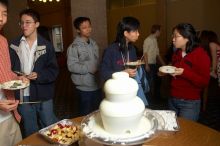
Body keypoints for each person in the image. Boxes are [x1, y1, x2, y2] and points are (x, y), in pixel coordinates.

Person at [9, 8, 59, 137]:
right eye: (21, 23)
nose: (24, 26)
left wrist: (39, 75)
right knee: (29, 129)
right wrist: (16, 77)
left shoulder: (47, 46)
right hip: (23, 96)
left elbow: (53, 71)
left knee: (49, 127)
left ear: (37, 24)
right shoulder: (13, 45)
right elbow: (8, 69)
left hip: (43, 94)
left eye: (28, 22)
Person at [162, 23, 210, 121]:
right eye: (172, 36)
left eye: (176, 36)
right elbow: (175, 71)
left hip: (189, 102)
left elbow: (204, 82)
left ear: (187, 37)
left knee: (185, 132)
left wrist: (185, 73)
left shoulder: (201, 55)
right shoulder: (177, 53)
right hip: (173, 98)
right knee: (172, 129)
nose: (173, 39)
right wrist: (166, 72)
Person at [100, 16, 148, 106]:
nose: (138, 34)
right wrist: (123, 73)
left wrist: (136, 66)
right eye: (135, 31)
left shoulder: (132, 48)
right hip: (116, 93)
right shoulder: (111, 50)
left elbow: (131, 70)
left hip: (130, 90)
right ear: (126, 33)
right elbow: (103, 72)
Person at [0, 0, 28, 145]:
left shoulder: (3, 41)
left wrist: (19, 78)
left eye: (4, 14)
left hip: (10, 112)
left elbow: (7, 73)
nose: (1, 18)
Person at [67, 17, 102, 116]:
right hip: (84, 88)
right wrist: (88, 68)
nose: (88, 29)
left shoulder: (93, 43)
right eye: (84, 27)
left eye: (89, 26)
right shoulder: (74, 47)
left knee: (97, 113)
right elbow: (71, 66)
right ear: (78, 30)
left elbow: (96, 61)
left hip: (96, 84)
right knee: (85, 115)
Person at [143, 24, 165, 102]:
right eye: (160, 31)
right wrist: (146, 65)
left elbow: (157, 54)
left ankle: (157, 97)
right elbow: (145, 53)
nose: (161, 32)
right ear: (157, 31)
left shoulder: (155, 40)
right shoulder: (148, 40)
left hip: (154, 64)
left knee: (158, 80)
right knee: (149, 83)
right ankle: (148, 100)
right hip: (148, 64)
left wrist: (164, 65)